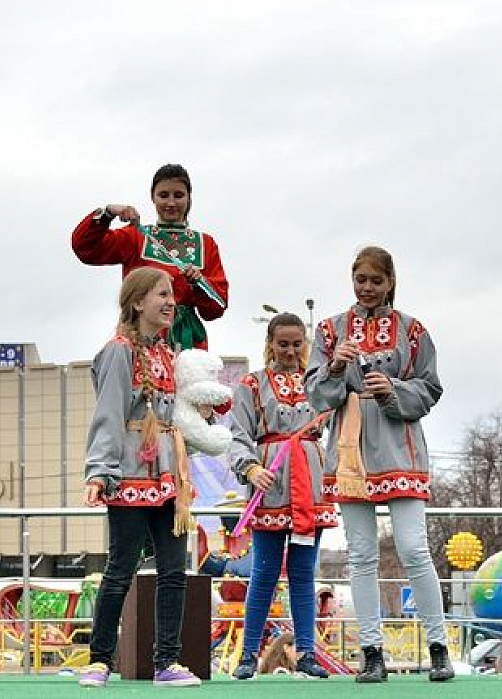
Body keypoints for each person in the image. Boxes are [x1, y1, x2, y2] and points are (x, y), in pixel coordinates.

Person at [306, 246, 453, 683]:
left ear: (390, 281)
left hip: (400, 446)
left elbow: (431, 388)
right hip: (349, 450)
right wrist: (334, 368)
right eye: (360, 280)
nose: (367, 288)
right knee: (362, 554)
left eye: (376, 280)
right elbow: (315, 394)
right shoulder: (329, 329)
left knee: (413, 548)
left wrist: (392, 390)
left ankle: (438, 645)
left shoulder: (413, 330)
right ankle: (372, 650)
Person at [76, 267, 202, 688]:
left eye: (171, 296)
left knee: (173, 570)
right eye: (161, 295)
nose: (170, 302)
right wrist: (101, 471)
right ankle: (99, 660)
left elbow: (177, 412)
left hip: (169, 474)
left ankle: (167, 660)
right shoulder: (119, 351)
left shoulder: (169, 352)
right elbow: (109, 414)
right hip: (129, 472)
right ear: (136, 302)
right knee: (120, 567)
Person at [229, 314, 337, 680]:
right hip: (270, 483)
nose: (290, 351)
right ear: (270, 343)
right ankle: (248, 655)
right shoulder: (252, 385)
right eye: (283, 344)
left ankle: (306, 652)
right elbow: (238, 433)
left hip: (310, 483)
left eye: (297, 344)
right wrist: (249, 468)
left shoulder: (319, 384)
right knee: (264, 573)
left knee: (304, 572)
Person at [71, 163, 230, 350]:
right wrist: (108, 213)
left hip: (188, 343)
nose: (171, 203)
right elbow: (85, 248)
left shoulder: (205, 243)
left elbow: (217, 307)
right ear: (152, 197)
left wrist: (199, 283)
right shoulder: (137, 236)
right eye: (163, 195)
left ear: (189, 198)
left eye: (178, 195)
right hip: (141, 337)